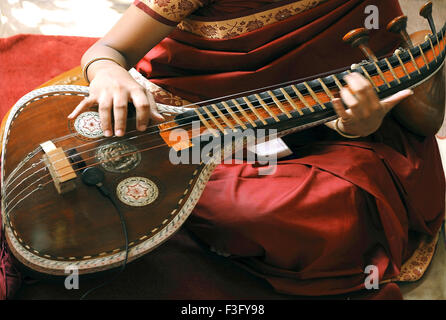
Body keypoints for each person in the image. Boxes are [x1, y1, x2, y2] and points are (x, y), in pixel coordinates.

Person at [68, 0, 445, 297]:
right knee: (247, 207)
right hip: (206, 124)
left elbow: (411, 106)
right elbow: (109, 50)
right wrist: (109, 72)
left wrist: (357, 125)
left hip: (321, 124)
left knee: (347, 200)